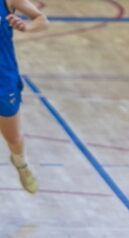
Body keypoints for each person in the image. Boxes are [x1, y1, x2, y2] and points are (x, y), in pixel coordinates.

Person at [2, 0, 47, 193]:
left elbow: (42, 19)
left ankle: (21, 164)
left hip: (3, 79)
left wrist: (27, 26)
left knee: (14, 138)